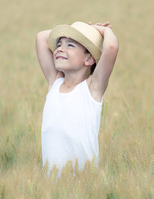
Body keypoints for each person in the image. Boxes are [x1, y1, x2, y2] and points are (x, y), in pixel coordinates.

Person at [36, 21, 119, 177]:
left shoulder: (92, 88)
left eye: (70, 45)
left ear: (89, 59)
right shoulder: (55, 82)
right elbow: (41, 38)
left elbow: (111, 47)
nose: (60, 48)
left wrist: (100, 30)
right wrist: (77, 31)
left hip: (83, 182)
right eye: (59, 44)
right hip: (51, 185)